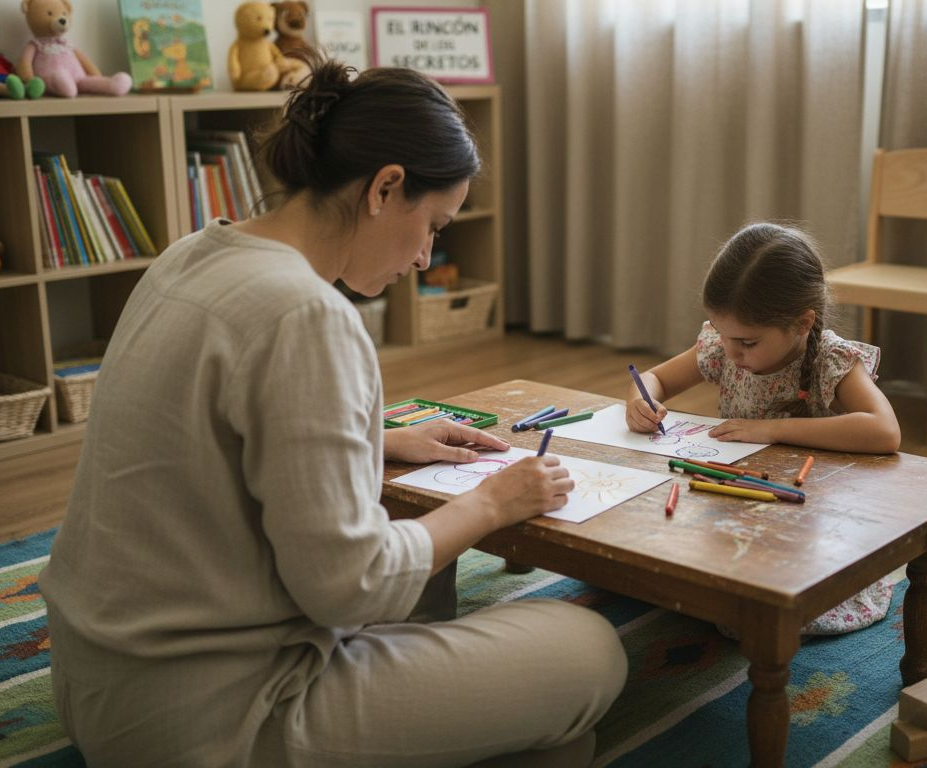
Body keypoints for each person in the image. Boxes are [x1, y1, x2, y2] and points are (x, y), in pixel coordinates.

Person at [38, 57, 626, 768]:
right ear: (385, 187)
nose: (424, 256)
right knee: (590, 653)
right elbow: (351, 589)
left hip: (93, 682)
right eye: (433, 225)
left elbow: (202, 438)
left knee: (536, 716)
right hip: (212, 720)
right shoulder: (308, 314)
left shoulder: (194, 254)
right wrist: (492, 504)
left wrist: (374, 440)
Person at [625, 222, 901, 635]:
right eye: (722, 334)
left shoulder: (830, 358)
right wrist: (639, 400)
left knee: (754, 616)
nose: (732, 351)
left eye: (748, 343)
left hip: (803, 515)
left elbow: (884, 431)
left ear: (803, 322)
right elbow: (654, 378)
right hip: (733, 498)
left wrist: (771, 429)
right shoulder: (725, 344)